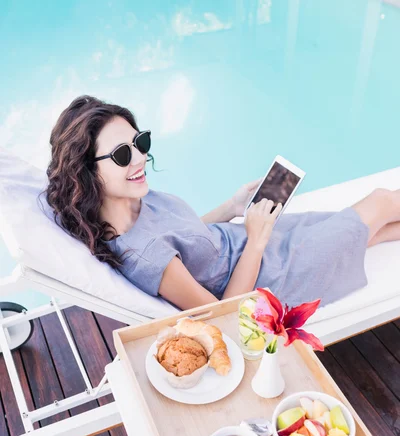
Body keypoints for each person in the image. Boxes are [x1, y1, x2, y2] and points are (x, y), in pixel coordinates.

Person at [44, 95, 400, 311]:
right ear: (86, 172)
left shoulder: (131, 203)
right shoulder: (146, 258)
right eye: (122, 155)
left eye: (140, 142)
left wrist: (231, 207)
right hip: (274, 277)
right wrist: (257, 239)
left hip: (251, 241)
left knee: (377, 232)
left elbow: (179, 238)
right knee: (380, 203)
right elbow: (226, 312)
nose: (139, 159)